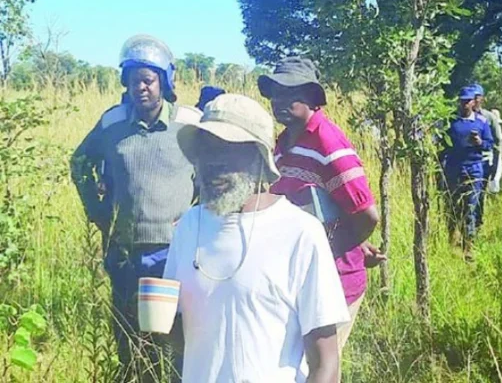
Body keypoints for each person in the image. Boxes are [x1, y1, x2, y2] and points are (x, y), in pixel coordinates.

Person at [168, 93, 350, 382]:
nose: (213, 162)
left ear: (259, 158)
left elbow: (326, 363)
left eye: (227, 149)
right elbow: (187, 338)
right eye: (206, 150)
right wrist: (159, 323)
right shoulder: (189, 226)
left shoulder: (299, 232)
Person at [70, 34, 201, 382]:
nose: (139, 88)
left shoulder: (189, 123)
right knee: (130, 336)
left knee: (174, 338)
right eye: (132, 81)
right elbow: (81, 161)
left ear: (165, 81)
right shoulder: (112, 123)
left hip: (173, 252)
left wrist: (198, 218)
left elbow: (211, 173)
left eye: (147, 80)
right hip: (125, 252)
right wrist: (98, 212)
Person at [257, 56, 383, 356]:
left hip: (334, 282)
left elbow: (367, 215)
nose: (279, 100)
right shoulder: (285, 141)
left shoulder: (328, 143)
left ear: (313, 99)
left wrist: (334, 247)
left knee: (320, 368)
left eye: (290, 93)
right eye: (275, 92)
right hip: (299, 278)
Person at [441, 85, 493, 260]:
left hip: (474, 169)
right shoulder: (450, 121)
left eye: (468, 101)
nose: (464, 104)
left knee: (470, 207)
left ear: (473, 102)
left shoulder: (482, 122)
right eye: (462, 101)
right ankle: (450, 240)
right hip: (454, 169)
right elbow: (442, 145)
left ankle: (468, 246)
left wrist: (479, 142)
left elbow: (489, 144)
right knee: (453, 206)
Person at [471, 83, 502, 227]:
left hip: (484, 161)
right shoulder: (463, 116)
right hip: (465, 162)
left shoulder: (489, 118)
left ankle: (477, 223)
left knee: (479, 195)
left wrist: (495, 167)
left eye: (477, 97)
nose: (474, 100)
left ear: (482, 99)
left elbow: (497, 144)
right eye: (472, 97)